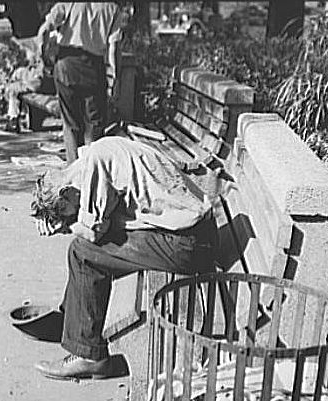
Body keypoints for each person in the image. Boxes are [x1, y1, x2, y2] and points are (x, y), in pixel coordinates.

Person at [30, 136, 219, 380]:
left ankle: (90, 356)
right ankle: (72, 323)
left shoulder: (95, 165)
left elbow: (93, 232)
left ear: (66, 193)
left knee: (82, 253)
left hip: (189, 245)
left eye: (65, 211)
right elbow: (105, 220)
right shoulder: (94, 154)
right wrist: (68, 221)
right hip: (194, 234)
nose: (70, 215)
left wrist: (64, 228)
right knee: (86, 250)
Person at [36, 3, 125, 163]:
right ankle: (93, 170)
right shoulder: (112, 9)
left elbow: (44, 31)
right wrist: (116, 79)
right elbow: (114, 48)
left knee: (71, 123)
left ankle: (74, 171)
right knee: (95, 124)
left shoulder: (67, 4)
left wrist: (45, 58)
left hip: (66, 65)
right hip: (94, 68)